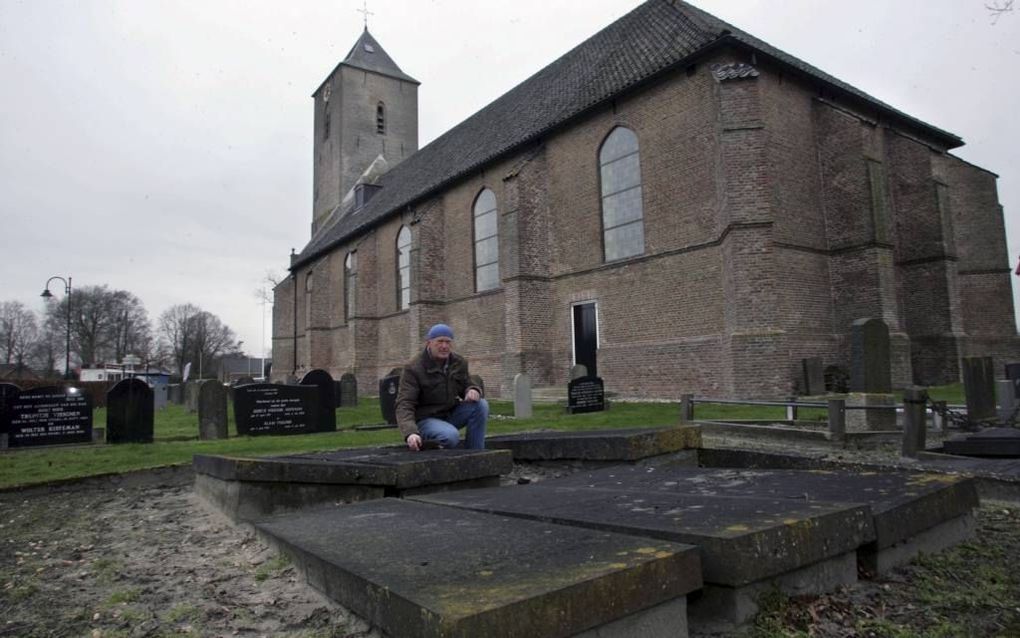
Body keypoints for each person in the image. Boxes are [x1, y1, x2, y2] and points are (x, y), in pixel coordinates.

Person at [396, 323, 488, 451]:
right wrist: (410, 432)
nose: (444, 346)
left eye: (448, 342)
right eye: (439, 342)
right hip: (426, 419)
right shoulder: (414, 368)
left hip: (450, 414)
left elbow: (467, 383)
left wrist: (472, 389)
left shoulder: (458, 362)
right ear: (429, 343)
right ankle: (426, 443)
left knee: (481, 405)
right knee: (450, 436)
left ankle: (476, 453)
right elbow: (405, 403)